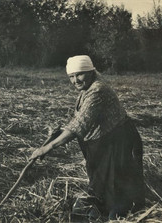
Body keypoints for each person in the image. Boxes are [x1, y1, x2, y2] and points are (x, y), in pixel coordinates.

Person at [30, 55, 145, 221]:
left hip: (119, 142)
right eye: (71, 76)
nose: (75, 80)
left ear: (91, 72)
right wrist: (59, 131)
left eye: (79, 74)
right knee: (101, 185)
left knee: (116, 188)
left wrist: (46, 148)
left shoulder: (98, 90)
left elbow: (80, 125)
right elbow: (80, 118)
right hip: (106, 141)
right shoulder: (86, 89)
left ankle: (120, 217)